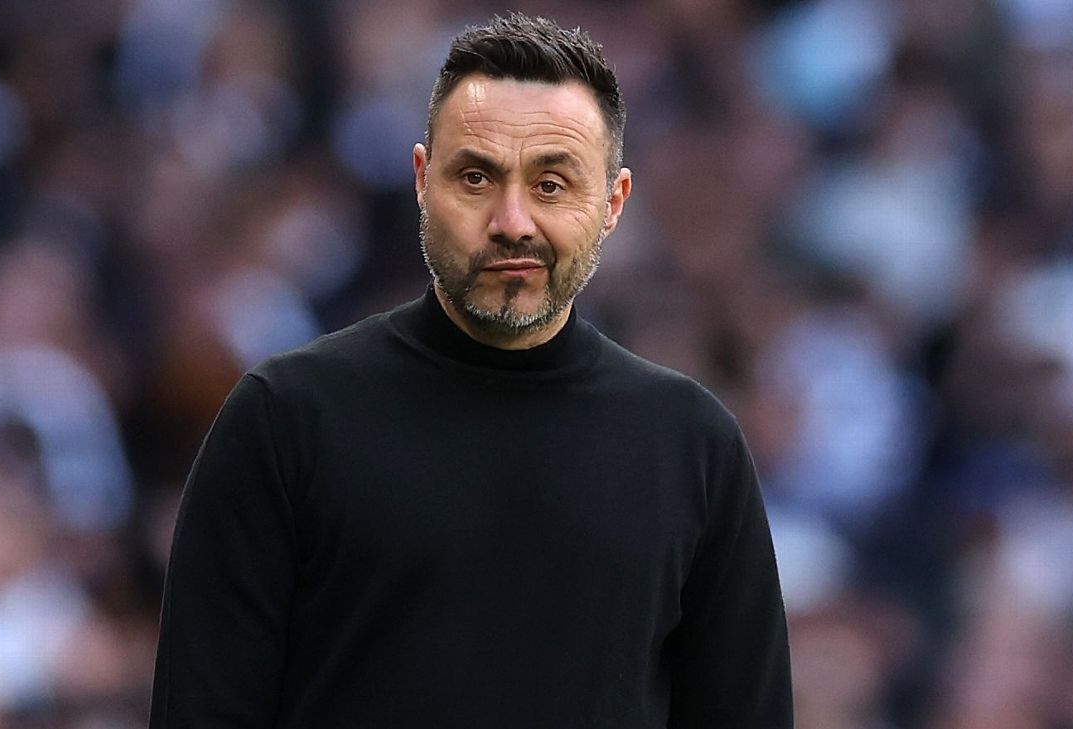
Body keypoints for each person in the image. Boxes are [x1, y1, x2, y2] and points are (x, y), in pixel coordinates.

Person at [148, 12, 792, 729]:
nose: (512, 220)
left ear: (612, 204)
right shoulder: (286, 419)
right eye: (477, 177)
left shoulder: (691, 444)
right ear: (423, 182)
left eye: (553, 183)